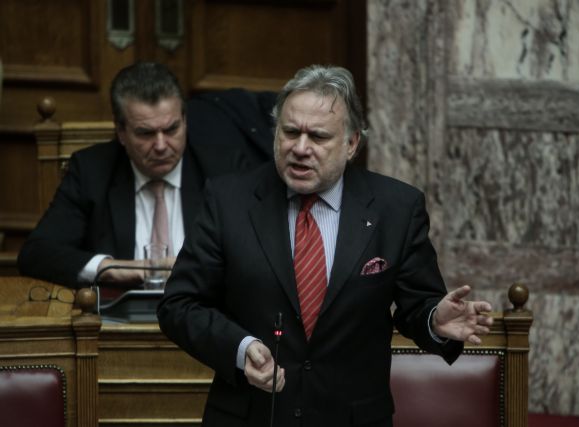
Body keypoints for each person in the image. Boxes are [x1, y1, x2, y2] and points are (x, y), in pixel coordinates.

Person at [157, 65, 493, 427]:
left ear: (351, 144)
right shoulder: (229, 201)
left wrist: (434, 320)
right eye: (290, 132)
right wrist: (240, 348)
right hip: (250, 415)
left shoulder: (396, 208)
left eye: (318, 137)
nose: (300, 149)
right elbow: (180, 305)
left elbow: (418, 305)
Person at [17, 61, 273, 292]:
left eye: (171, 129)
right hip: (117, 320)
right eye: (146, 133)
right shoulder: (92, 170)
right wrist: (114, 269)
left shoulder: (222, 167)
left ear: (185, 120)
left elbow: (259, 254)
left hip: (202, 317)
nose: (161, 145)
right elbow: (36, 254)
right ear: (121, 132)